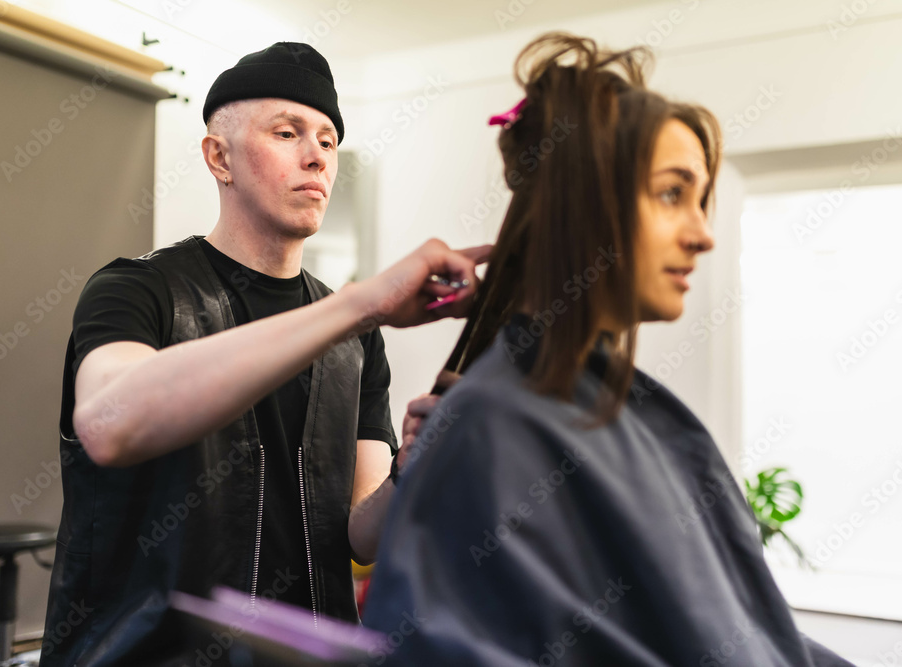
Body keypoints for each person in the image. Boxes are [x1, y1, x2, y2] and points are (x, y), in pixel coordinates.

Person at [363, 33, 853, 666]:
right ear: (586, 203)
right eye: (673, 194)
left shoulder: (610, 410)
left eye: (700, 200)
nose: (702, 233)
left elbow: (740, 632)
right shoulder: (496, 425)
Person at [41, 42, 488, 667]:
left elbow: (360, 535)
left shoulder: (357, 337)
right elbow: (110, 425)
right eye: (287, 132)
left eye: (329, 142)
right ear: (218, 156)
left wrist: (417, 468)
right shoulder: (137, 289)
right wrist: (357, 306)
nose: (316, 157)